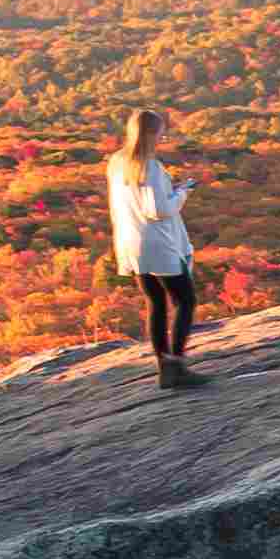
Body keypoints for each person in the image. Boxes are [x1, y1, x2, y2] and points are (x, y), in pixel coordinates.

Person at [105, 109, 205, 388]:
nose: (163, 136)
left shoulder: (117, 162)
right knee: (185, 301)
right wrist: (183, 192)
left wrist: (168, 191)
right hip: (158, 243)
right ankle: (177, 367)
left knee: (156, 303)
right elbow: (159, 210)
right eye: (161, 131)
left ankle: (165, 367)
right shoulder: (150, 165)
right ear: (151, 133)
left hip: (132, 242)